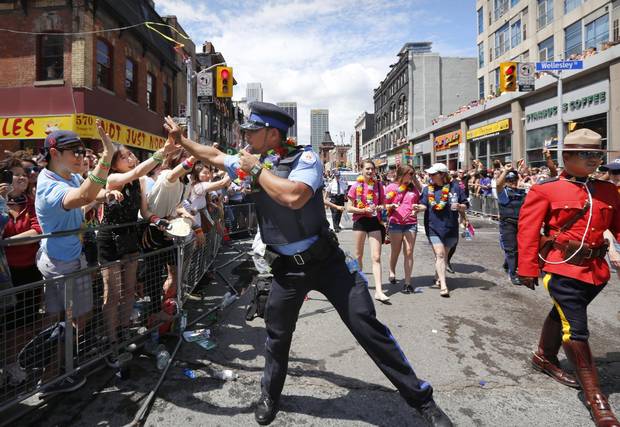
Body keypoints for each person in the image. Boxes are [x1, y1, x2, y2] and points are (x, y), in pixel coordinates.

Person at [164, 102, 452, 427]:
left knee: (367, 327)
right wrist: (182, 139)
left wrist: (257, 170)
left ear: (272, 134)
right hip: (286, 270)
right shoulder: (252, 163)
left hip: (327, 261)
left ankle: (422, 400)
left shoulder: (305, 158)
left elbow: (294, 196)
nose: (245, 137)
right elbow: (214, 156)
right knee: (277, 336)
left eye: (251, 132)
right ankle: (270, 395)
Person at [517, 129, 620, 427]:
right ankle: (596, 399)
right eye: (586, 154)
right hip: (561, 267)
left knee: (562, 313)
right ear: (567, 156)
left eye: (598, 154)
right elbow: (527, 230)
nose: (594, 160)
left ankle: (544, 357)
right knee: (576, 330)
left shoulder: (608, 191)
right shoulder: (546, 189)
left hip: (596, 271)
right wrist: (526, 268)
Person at [35, 125, 114, 395]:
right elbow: (82, 197)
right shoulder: (49, 186)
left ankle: (53, 372)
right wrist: (107, 156)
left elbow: (90, 193)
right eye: (76, 152)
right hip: (63, 262)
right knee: (78, 316)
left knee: (60, 319)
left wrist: (107, 193)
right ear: (55, 153)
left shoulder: (68, 175)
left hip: (64, 257)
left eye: (83, 151)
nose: (81, 157)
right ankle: (57, 371)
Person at [98, 143, 174, 350]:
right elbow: (140, 170)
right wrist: (162, 152)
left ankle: (124, 331)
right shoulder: (113, 178)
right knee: (111, 293)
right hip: (110, 239)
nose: (132, 157)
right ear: (114, 164)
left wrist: (158, 220)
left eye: (132, 154)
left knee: (129, 289)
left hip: (130, 237)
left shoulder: (139, 181)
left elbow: (145, 211)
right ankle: (112, 339)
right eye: (126, 156)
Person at [420, 163, 468, 298]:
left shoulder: (456, 187)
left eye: (432, 174)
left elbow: (465, 204)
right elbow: (424, 204)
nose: (429, 176)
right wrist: (418, 208)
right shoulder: (427, 189)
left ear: (441, 174)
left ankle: (437, 275)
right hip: (433, 227)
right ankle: (444, 285)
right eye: (429, 174)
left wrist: (460, 206)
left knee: (443, 256)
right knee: (440, 254)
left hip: (450, 227)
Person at [347, 160, 389, 302]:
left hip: (374, 222)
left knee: (376, 257)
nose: (370, 172)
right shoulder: (355, 187)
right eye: (367, 169)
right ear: (362, 170)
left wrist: (379, 208)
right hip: (360, 221)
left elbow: (383, 204)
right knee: (358, 255)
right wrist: (363, 210)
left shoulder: (378, 185)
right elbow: (349, 208)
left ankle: (379, 290)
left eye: (372, 169)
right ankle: (359, 285)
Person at [384, 165, 423, 293]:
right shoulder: (391, 187)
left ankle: (407, 282)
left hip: (411, 223)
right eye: (410, 173)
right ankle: (392, 271)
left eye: (413, 174)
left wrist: (417, 208)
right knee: (396, 250)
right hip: (395, 222)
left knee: (409, 251)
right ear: (402, 173)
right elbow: (383, 204)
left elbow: (421, 201)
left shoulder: (413, 188)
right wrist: (390, 206)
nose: (412, 176)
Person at [496, 164, 527, 285]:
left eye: (514, 180)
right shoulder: (503, 192)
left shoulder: (522, 192)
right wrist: (506, 171)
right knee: (511, 250)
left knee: (519, 249)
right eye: (509, 180)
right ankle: (513, 274)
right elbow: (498, 185)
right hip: (507, 225)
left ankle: (507, 264)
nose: (512, 182)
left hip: (521, 225)